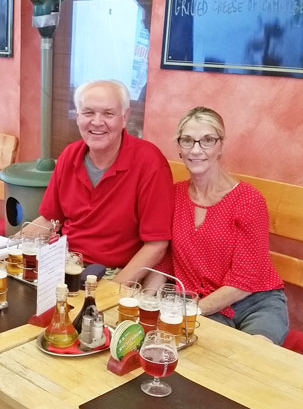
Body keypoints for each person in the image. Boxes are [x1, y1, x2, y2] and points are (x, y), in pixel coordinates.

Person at [147, 106, 289, 344]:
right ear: (179, 148)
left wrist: (191, 313)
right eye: (187, 141)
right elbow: (165, 261)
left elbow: (245, 281)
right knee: (206, 363)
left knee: (256, 356)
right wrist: (147, 302)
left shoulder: (248, 200)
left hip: (254, 301)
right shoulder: (173, 195)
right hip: (199, 303)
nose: (196, 150)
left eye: (207, 140)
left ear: (221, 146)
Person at [26, 79, 173, 285]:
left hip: (116, 275)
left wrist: (110, 291)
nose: (97, 122)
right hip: (65, 265)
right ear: (77, 117)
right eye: (88, 113)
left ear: (125, 117)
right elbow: (49, 220)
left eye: (108, 113)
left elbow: (156, 245)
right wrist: (8, 248)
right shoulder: (69, 155)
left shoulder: (150, 163)